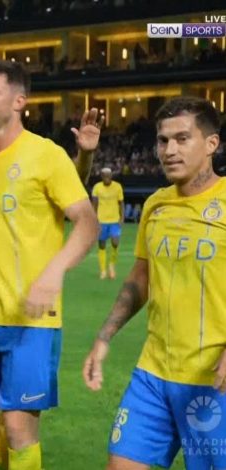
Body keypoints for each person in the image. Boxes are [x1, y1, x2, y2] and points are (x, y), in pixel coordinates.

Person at [0, 61, 98, 470]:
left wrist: (53, 272)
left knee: (19, 430)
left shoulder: (46, 155)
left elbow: (87, 223)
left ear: (19, 101)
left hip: (31, 321)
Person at [83, 97, 226, 470]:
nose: (169, 150)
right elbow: (141, 278)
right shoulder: (156, 205)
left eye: (182, 138)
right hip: (153, 373)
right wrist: (104, 336)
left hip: (213, 378)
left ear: (211, 143)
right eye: (163, 140)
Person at [91, 168, 124, 279]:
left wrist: (122, 217)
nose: (106, 177)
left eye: (108, 175)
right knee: (102, 245)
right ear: (101, 176)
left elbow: (121, 203)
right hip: (101, 221)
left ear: (111, 176)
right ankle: (103, 270)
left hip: (114, 220)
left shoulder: (117, 187)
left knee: (115, 242)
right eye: (104, 175)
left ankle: (111, 265)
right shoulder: (97, 187)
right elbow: (94, 205)